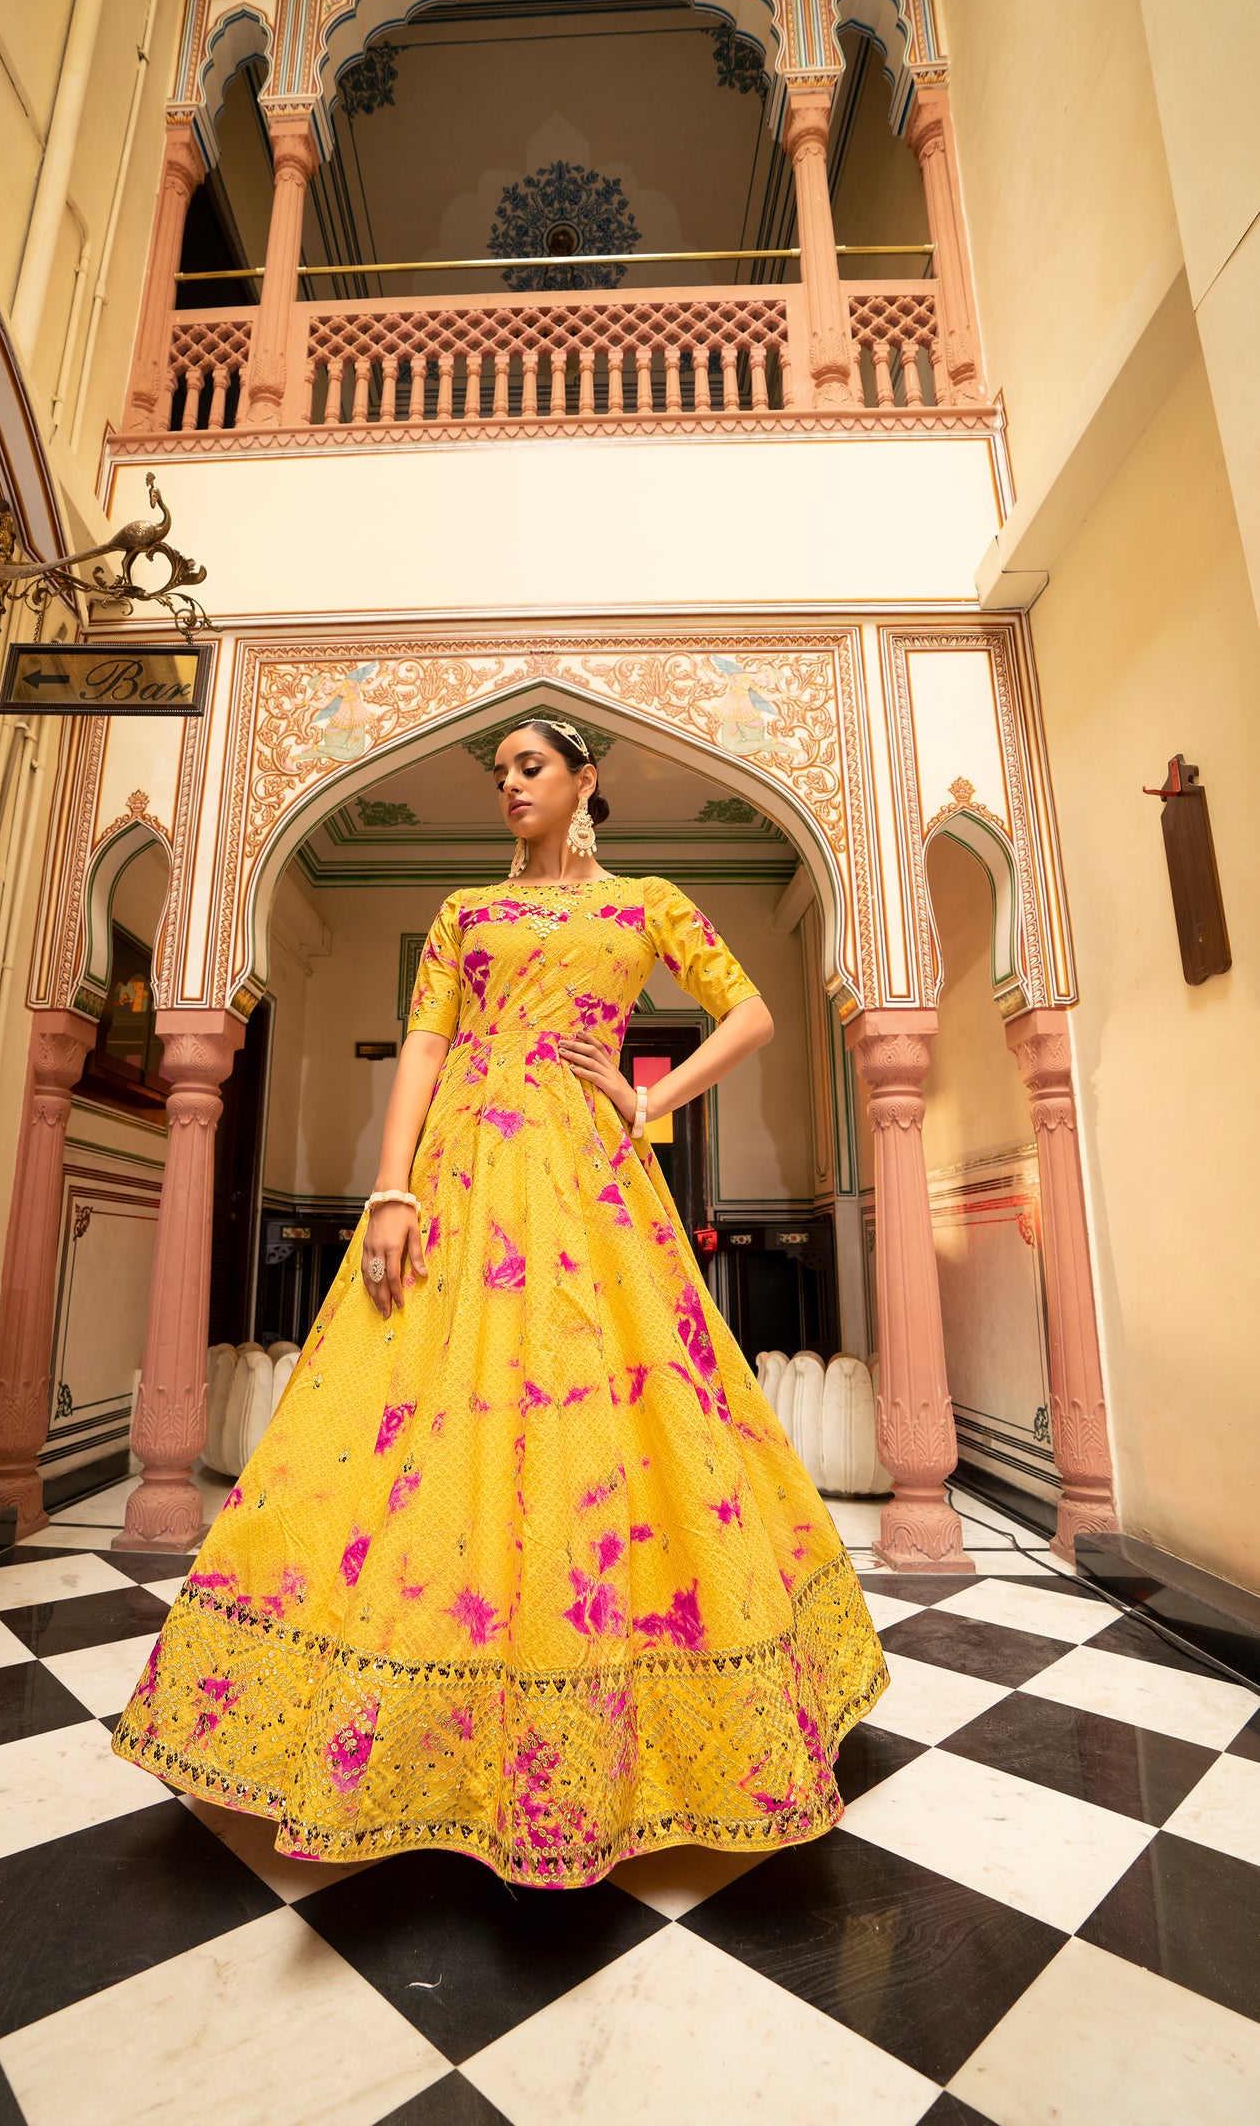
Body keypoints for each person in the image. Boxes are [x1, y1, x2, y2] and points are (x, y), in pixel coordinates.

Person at [112, 717, 887, 1887]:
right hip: (462, 1173)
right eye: (499, 774)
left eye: (531, 768)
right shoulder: (465, 911)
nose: (509, 787)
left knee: (610, 1421)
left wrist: (649, 1094)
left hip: (587, 1175)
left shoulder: (645, 903)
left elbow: (753, 1012)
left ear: (584, 780)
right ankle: (403, 1735)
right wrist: (388, 1188)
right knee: (404, 1423)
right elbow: (424, 1050)